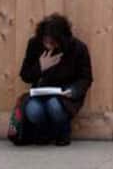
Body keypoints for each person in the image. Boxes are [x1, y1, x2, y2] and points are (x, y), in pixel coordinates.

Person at [16, 14, 93, 146]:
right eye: (45, 41)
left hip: (65, 95)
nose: (48, 45)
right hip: (40, 93)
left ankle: (62, 132)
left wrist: (73, 90)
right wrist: (40, 67)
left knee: (54, 105)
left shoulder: (78, 48)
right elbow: (25, 75)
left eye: (52, 42)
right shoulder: (35, 44)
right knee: (33, 109)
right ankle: (43, 132)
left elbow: (85, 78)